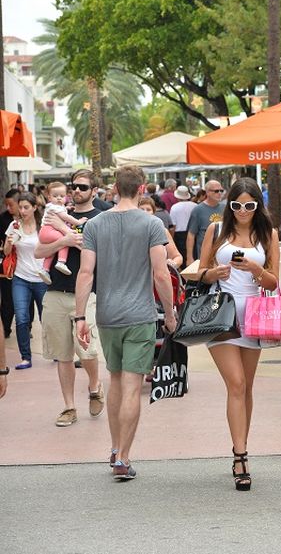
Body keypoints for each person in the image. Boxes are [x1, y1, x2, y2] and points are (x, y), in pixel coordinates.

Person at [75, 165, 176, 481]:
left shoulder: (95, 225)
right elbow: (161, 273)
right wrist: (170, 314)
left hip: (107, 315)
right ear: (143, 188)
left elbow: (86, 273)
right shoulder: (151, 224)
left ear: (115, 188)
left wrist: (80, 315)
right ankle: (124, 457)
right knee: (132, 385)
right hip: (140, 315)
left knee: (115, 380)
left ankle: (115, 447)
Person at [198, 178, 279, 491]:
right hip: (220, 316)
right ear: (228, 205)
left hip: (254, 316)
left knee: (247, 388)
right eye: (236, 205)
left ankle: (241, 445)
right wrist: (214, 273)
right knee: (236, 383)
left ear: (257, 206)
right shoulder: (216, 231)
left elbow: (274, 282)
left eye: (249, 205)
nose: (243, 211)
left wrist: (256, 271)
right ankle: (240, 457)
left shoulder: (266, 234)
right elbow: (198, 272)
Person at [35, 169, 105, 428]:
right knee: (62, 355)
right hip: (54, 290)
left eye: (83, 187)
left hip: (86, 295)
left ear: (94, 191)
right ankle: (68, 406)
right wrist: (64, 240)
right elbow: (38, 251)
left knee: (87, 350)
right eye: (73, 186)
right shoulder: (56, 214)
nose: (76, 191)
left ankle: (95, 386)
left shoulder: (101, 219)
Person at [4, 192, 49, 370]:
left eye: (26, 207)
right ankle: (25, 357)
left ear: (34, 208)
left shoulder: (43, 226)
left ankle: (54, 351)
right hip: (20, 278)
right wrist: (10, 240)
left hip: (41, 277)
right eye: (20, 207)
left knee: (46, 317)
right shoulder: (14, 225)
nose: (22, 211)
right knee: (22, 318)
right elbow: (7, 252)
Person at [36, 181, 87, 284]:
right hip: (49, 231)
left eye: (62, 196)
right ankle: (61, 261)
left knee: (54, 249)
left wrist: (66, 209)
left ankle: (45, 269)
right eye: (55, 196)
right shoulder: (54, 207)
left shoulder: (55, 207)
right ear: (49, 197)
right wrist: (78, 222)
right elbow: (65, 216)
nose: (59, 198)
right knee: (65, 241)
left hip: (45, 233)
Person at [186, 180, 226, 267]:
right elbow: (191, 234)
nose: (219, 193)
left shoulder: (225, 208)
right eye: (216, 191)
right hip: (205, 255)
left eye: (221, 191)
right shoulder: (198, 210)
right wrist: (189, 257)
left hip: (223, 254)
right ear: (207, 192)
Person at [139, 197, 183, 267]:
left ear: (153, 213)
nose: (145, 212)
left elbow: (178, 257)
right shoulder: (129, 231)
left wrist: (172, 263)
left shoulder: (162, 231)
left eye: (148, 209)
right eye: (141, 209)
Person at [1, 189, 20, 337]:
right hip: (7, 264)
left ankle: (26, 327)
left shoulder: (30, 219)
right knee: (7, 297)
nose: (8, 208)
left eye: (11, 205)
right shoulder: (3, 219)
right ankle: (5, 328)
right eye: (6, 205)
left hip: (25, 265)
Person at [168, 185, 194, 265]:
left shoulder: (174, 207)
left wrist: (172, 238)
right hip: (193, 233)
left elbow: (173, 225)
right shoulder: (194, 205)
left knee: (181, 256)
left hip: (179, 235)